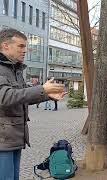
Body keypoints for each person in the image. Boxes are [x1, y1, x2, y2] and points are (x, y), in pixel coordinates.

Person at [0, 28, 66, 180]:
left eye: (25, 47)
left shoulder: (14, 69)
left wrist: (48, 95)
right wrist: (42, 88)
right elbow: (4, 97)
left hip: (13, 138)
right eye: (21, 46)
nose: (25, 51)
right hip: (3, 140)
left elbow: (23, 96)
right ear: (5, 46)